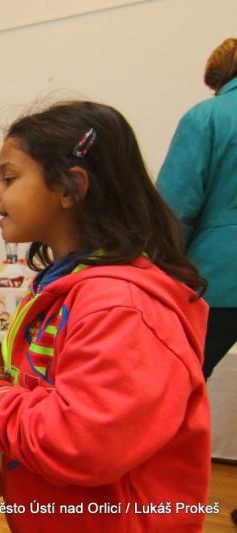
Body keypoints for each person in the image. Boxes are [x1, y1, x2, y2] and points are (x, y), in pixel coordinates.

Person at [0, 101, 211, 531]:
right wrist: (5, 381)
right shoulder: (66, 287)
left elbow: (80, 442)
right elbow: (63, 388)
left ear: (70, 188)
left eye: (9, 178)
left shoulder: (119, 308)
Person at [157, 37, 237, 382]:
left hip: (219, 275)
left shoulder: (207, 116)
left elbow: (176, 207)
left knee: (180, 381)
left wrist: (157, 269)